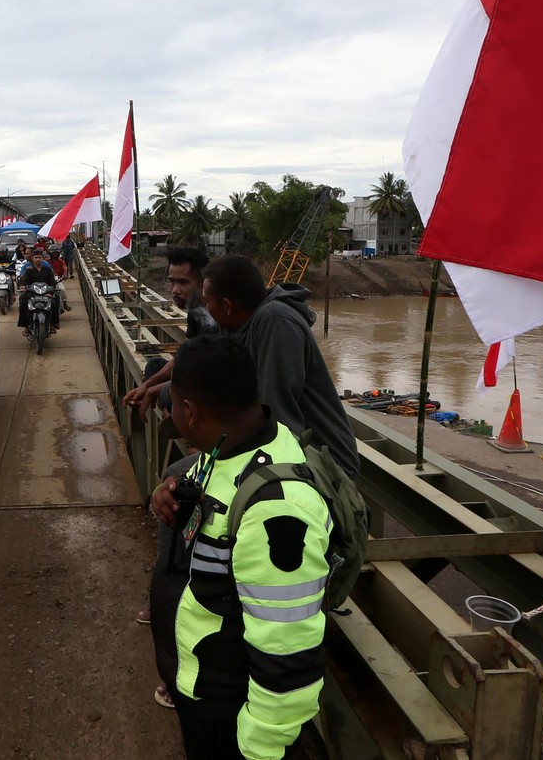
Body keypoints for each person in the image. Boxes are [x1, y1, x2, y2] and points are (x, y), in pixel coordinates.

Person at [150, 335, 330, 760]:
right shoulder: (232, 444)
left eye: (172, 407)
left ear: (190, 412)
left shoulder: (277, 510)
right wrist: (169, 492)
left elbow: (287, 652)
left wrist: (260, 747)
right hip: (201, 685)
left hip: (230, 715)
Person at [201, 255, 361, 482]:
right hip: (283, 450)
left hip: (325, 464)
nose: (206, 309)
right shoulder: (237, 328)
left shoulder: (275, 322)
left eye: (207, 302)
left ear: (227, 306)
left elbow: (278, 417)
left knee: (193, 479)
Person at [122, 246, 215, 420]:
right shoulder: (195, 310)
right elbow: (185, 355)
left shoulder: (215, 317)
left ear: (203, 282)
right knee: (154, 365)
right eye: (172, 281)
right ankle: (172, 412)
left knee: (168, 390)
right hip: (197, 369)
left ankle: (178, 418)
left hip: (213, 382)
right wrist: (147, 385)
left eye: (183, 282)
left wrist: (157, 389)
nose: (174, 290)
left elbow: (208, 376)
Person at [17, 249, 59, 335]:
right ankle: (26, 327)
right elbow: (23, 281)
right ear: (32, 258)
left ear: (43, 258)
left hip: (45, 293)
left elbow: (52, 282)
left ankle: (53, 325)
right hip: (32, 293)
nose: (38, 259)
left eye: (39, 257)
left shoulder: (47, 270)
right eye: (36, 257)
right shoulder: (29, 270)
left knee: (55, 301)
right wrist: (23, 286)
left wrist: (50, 292)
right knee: (23, 302)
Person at [47, 244, 72, 311]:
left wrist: (65, 275)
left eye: (56, 253)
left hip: (57, 280)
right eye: (53, 253)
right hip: (48, 280)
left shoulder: (61, 261)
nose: (54, 254)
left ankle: (65, 304)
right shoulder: (46, 261)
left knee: (62, 290)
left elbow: (65, 268)